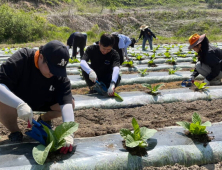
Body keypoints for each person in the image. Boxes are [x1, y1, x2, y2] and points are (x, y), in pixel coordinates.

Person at [0, 40, 75, 154]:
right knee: (2, 99)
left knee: (72, 103)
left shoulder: (58, 74)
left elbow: (66, 104)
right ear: (40, 57)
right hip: (18, 99)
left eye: (58, 70)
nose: (54, 73)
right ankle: (15, 132)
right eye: (51, 68)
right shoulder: (22, 58)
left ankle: (45, 119)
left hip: (43, 100)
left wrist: (68, 133)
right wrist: (19, 105)